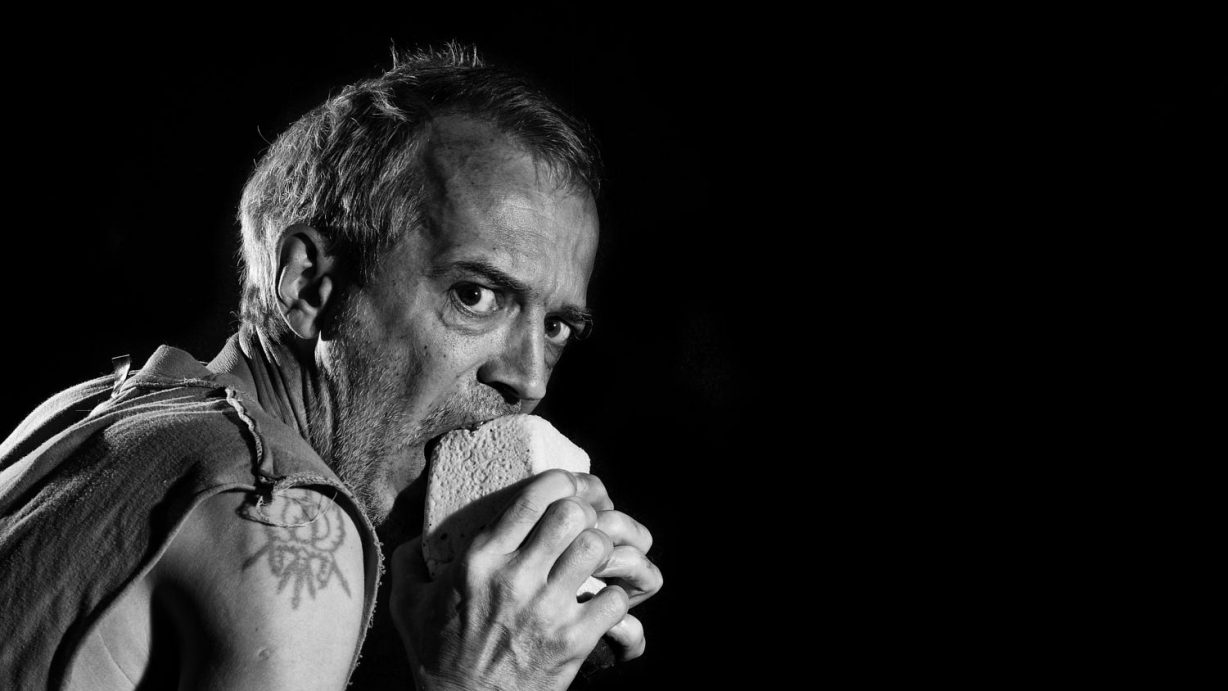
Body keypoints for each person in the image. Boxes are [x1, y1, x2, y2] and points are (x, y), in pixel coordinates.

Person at [0, 44, 662, 690]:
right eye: (474, 295)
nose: (530, 379)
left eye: (556, 327)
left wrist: (483, 640)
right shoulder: (285, 518)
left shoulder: (88, 413)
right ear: (309, 286)